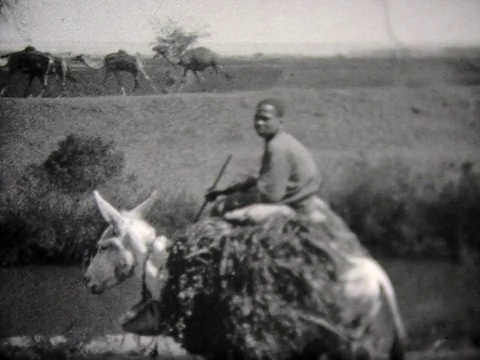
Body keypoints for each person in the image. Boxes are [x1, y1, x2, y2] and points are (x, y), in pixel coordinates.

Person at [205, 98, 327, 223]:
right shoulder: (284, 140)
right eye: (257, 118)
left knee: (223, 213)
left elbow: (271, 195)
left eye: (265, 119)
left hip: (294, 207)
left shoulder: (277, 147)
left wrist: (231, 201)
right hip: (298, 200)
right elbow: (266, 180)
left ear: (280, 121)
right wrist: (225, 192)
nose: (259, 123)